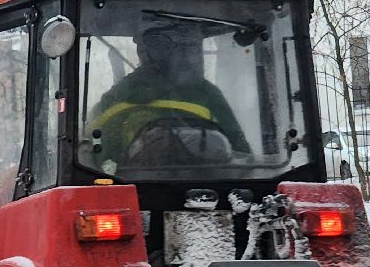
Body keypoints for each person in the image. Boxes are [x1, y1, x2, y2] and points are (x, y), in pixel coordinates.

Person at [87, 23, 250, 166]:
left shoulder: (113, 100)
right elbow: (244, 161)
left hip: (132, 195)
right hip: (204, 193)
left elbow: (89, 158)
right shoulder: (206, 95)